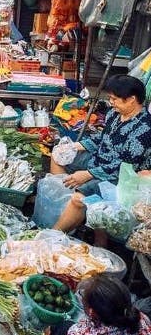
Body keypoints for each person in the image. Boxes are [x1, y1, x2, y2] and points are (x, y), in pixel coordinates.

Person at [52, 75, 151, 234]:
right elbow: (101, 138)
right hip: (98, 161)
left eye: (114, 99)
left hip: (119, 177)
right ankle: (65, 206)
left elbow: (125, 167)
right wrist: (74, 146)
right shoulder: (114, 114)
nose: (111, 103)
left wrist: (88, 174)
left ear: (131, 100)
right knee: (58, 156)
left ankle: (54, 234)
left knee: (78, 199)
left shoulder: (144, 129)